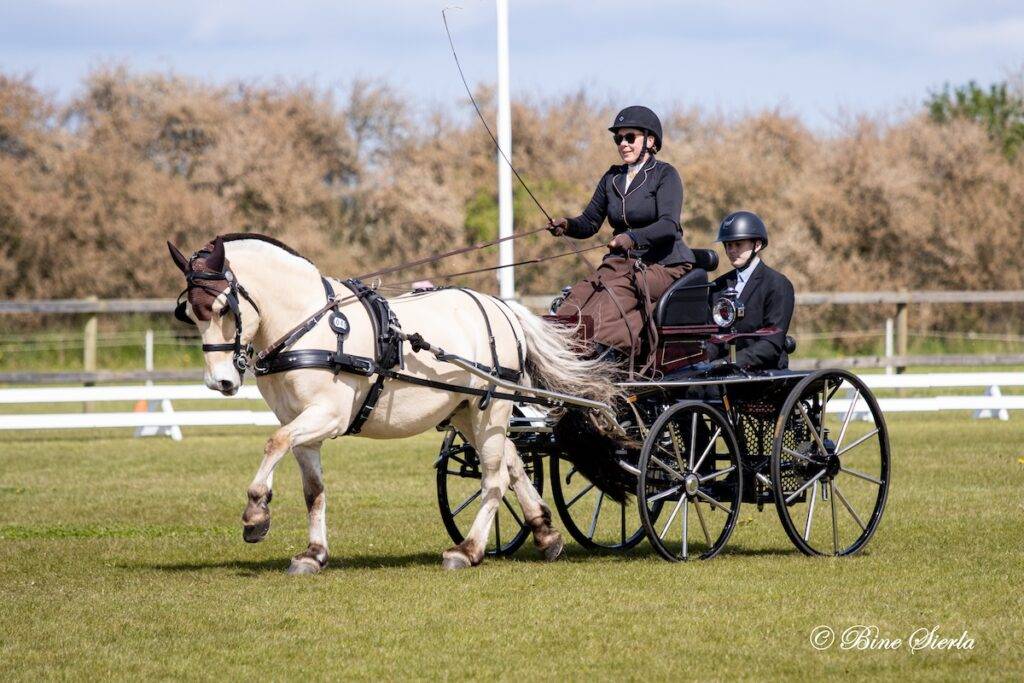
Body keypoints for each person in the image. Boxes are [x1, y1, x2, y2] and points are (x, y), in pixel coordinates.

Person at [548, 105, 695, 361]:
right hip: (621, 264)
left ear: (650, 141)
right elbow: (590, 222)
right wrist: (568, 225)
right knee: (578, 296)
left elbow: (669, 225)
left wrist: (633, 238)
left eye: (630, 137)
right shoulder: (612, 177)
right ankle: (561, 357)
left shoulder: (665, 174)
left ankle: (604, 359)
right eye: (618, 139)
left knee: (612, 296)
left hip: (664, 263)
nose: (623, 144)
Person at [707, 211, 795, 370]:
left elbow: (771, 344)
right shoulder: (718, 286)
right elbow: (713, 337)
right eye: (728, 245)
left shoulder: (777, 284)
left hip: (762, 373)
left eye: (738, 244)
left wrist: (728, 363)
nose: (731, 250)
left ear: (757, 245)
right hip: (721, 373)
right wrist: (701, 360)